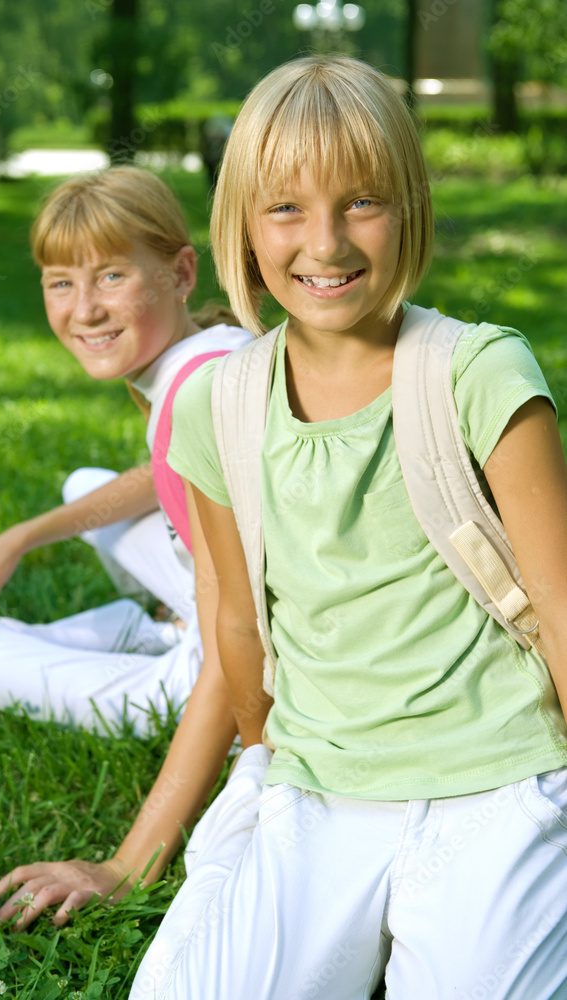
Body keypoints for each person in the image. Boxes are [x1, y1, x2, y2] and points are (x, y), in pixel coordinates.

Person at [129, 56, 567, 998]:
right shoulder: (219, 405)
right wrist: (261, 761)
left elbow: (562, 611)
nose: (323, 244)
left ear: (409, 208)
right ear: (241, 226)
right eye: (284, 208)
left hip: (496, 777)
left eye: (361, 202)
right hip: (318, 785)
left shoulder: (476, 372)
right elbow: (237, 623)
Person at [0, 166, 251, 736]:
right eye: (60, 283)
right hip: (226, 607)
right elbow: (167, 478)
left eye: (110, 277)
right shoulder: (213, 353)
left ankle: (160, 638)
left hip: (233, 674)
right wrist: (20, 537)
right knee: (85, 486)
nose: (84, 310)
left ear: (180, 273)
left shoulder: (194, 397)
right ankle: (159, 628)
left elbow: (246, 609)